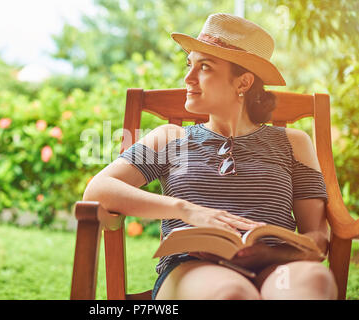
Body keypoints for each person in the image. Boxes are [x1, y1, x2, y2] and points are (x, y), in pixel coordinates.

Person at [83, 13, 338, 300]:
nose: (188, 78)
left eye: (204, 67)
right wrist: (186, 210)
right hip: (194, 268)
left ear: (243, 83)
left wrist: (266, 251)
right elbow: (98, 189)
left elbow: (317, 236)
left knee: (314, 282)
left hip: (276, 267)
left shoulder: (293, 143)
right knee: (232, 293)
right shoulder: (171, 138)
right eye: (189, 64)